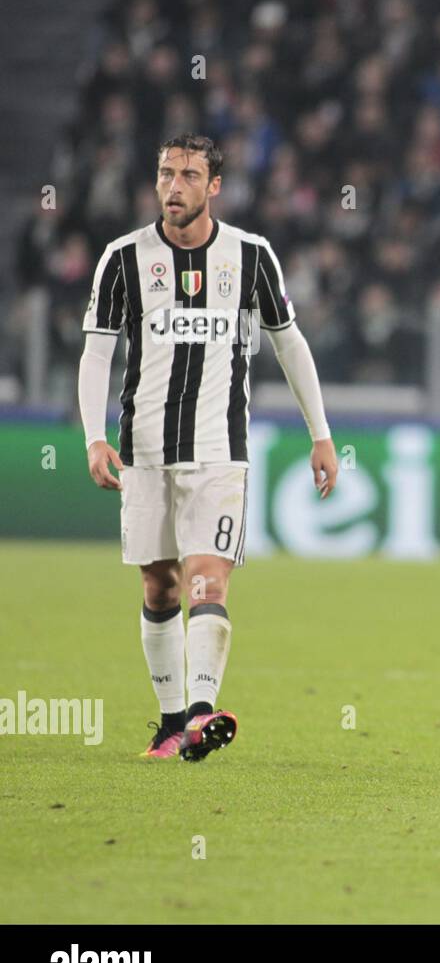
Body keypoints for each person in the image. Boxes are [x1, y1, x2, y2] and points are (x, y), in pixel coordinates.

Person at [78, 133, 338, 761]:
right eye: (166, 173)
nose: (174, 187)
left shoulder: (251, 256)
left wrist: (321, 433)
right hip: (143, 450)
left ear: (214, 185)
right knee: (159, 586)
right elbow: (98, 351)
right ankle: (171, 721)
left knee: (207, 578)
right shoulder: (122, 259)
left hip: (221, 450)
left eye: (190, 175)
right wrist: (92, 436)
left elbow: (289, 342)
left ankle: (200, 712)